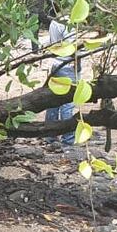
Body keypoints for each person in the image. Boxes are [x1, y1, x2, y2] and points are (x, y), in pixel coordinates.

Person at [44, 16, 79, 145]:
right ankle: (68, 138)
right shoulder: (70, 21)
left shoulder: (55, 21)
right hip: (68, 65)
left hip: (56, 63)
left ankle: (50, 135)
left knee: (53, 101)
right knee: (68, 103)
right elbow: (73, 46)